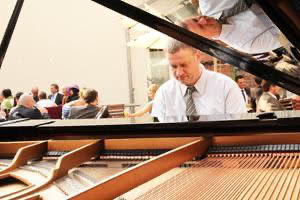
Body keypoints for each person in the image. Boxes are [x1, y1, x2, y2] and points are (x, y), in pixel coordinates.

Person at [151, 38, 247, 122]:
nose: (179, 72)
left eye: (184, 65)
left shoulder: (227, 87)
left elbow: (238, 133)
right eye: (173, 66)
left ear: (198, 56)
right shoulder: (163, 93)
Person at [184, 1, 282, 54]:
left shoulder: (207, 3)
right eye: (201, 27)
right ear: (206, 39)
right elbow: (287, 33)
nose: (203, 20)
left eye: (195, 19)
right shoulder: (247, 44)